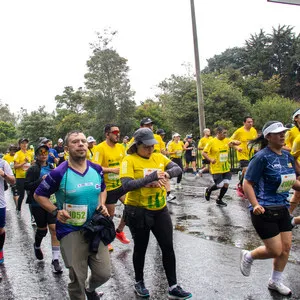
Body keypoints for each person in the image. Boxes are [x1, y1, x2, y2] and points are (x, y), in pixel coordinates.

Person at [34, 130, 111, 300]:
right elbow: (39, 195)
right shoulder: (59, 173)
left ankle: (90, 289)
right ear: (67, 148)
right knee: (77, 278)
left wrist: (101, 203)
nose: (81, 144)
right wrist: (55, 211)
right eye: (75, 141)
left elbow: (103, 189)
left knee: (104, 273)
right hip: (71, 230)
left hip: (96, 227)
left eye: (83, 140)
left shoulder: (96, 170)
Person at [120, 128, 192, 299]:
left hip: (160, 209)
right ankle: (139, 281)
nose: (150, 149)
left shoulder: (158, 157)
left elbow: (177, 168)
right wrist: (150, 178)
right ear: (137, 145)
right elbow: (127, 185)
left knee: (167, 246)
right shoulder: (129, 160)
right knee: (141, 248)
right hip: (138, 210)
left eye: (152, 146)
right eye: (146, 147)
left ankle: (173, 286)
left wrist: (166, 174)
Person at [240, 121, 300, 296]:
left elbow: (291, 181)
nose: (282, 135)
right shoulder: (261, 157)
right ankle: (249, 256)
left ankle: (275, 281)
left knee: (286, 248)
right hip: (263, 209)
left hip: (282, 207)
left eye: (284, 132)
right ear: (268, 137)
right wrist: (255, 204)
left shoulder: (287, 157)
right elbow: (248, 183)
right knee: (275, 250)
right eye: (278, 133)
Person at [24, 143, 62, 273]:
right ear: (36, 155)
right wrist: (41, 180)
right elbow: (27, 186)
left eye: (45, 152)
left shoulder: (52, 167)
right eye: (41, 153)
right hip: (37, 203)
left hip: (51, 202)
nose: (44, 155)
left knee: (54, 229)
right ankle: (37, 245)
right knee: (42, 229)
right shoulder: (33, 169)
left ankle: (55, 260)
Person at [93, 124, 130, 251]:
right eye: (114, 132)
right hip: (107, 188)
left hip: (121, 185)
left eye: (118, 132)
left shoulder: (120, 147)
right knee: (110, 215)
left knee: (131, 207)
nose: (117, 134)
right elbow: (95, 167)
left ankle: (119, 231)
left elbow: (127, 162)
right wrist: (111, 170)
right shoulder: (100, 148)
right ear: (107, 134)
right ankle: (106, 238)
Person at [202, 127, 232, 207]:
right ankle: (208, 190)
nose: (225, 135)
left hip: (225, 166)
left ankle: (219, 199)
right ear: (218, 133)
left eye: (226, 133)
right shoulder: (212, 142)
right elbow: (204, 153)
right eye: (223, 133)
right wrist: (211, 159)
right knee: (219, 185)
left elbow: (233, 143)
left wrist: (237, 146)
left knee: (226, 184)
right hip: (216, 167)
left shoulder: (226, 140)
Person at [230, 116, 258, 197]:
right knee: (246, 170)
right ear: (244, 123)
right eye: (248, 122)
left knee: (249, 171)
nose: (251, 123)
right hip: (242, 155)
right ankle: (242, 187)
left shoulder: (253, 130)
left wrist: (257, 149)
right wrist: (237, 147)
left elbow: (255, 141)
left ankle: (242, 180)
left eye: (252, 122)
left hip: (251, 155)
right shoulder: (239, 131)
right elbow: (230, 141)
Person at [284, 108, 300, 215]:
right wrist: (293, 150)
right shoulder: (291, 132)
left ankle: (288, 217)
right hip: (296, 163)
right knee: (297, 193)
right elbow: (282, 145)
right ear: (296, 118)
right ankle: (288, 216)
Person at [0, 157, 16, 264]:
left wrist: (3, 174)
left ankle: (0, 250)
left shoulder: (2, 163)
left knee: (0, 229)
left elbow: (13, 181)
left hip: (0, 203)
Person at [14, 138, 32, 215]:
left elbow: (32, 164)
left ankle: (33, 215)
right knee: (22, 195)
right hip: (20, 177)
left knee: (30, 195)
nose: (25, 144)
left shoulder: (30, 153)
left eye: (26, 143)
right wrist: (24, 162)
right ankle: (18, 209)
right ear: (20, 144)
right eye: (23, 143)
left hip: (28, 177)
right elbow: (15, 166)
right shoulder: (17, 154)